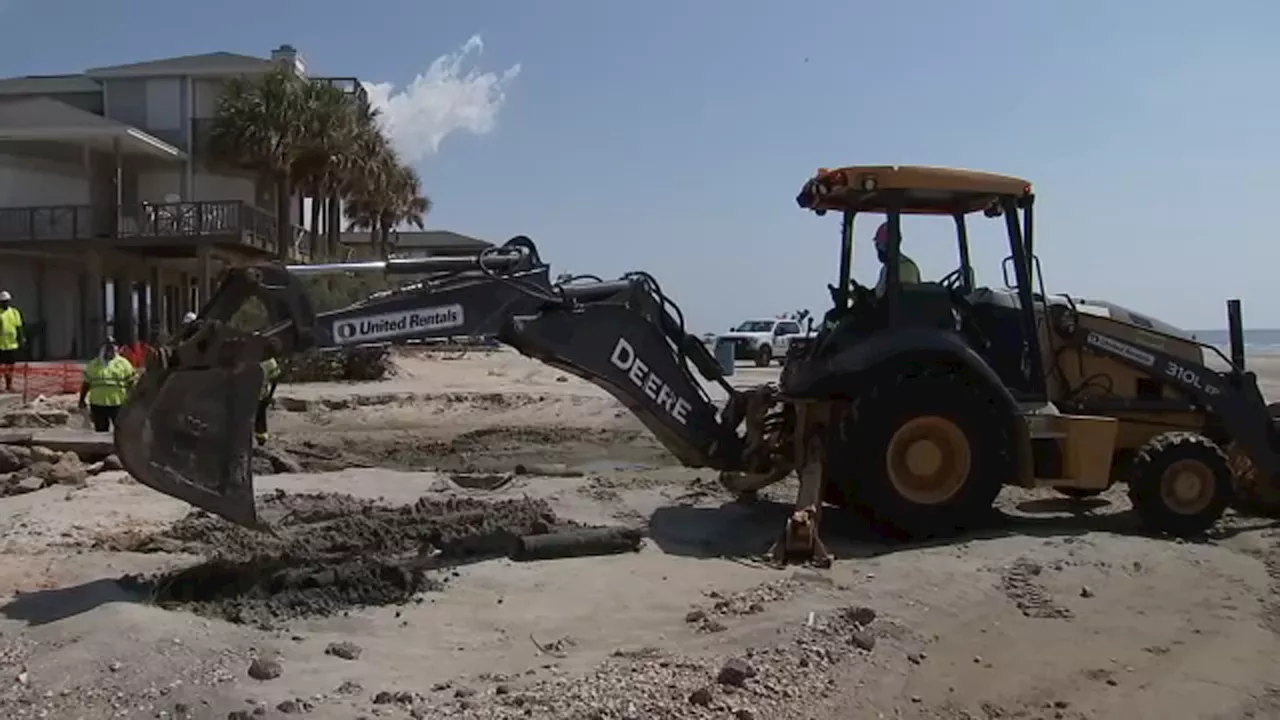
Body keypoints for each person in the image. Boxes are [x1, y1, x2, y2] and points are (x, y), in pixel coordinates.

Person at [78, 338, 138, 433]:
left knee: (121, 431)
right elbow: (86, 384)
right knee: (101, 432)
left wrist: (133, 400)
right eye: (107, 347)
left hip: (118, 404)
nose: (110, 350)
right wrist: (82, 400)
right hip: (98, 404)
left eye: (112, 346)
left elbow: (131, 384)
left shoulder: (124, 364)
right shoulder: (94, 364)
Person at [872, 222, 921, 296]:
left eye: (880, 244)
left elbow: (899, 300)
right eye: (877, 244)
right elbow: (879, 295)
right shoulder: (886, 268)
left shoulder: (905, 267)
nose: (878, 248)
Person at [255, 357, 282, 446]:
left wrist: (270, 395)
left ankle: (261, 439)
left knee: (260, 416)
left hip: (262, 395)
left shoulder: (269, 362)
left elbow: (275, 379)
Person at [0, 291, 23, 393]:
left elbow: (18, 326)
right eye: (3, 302)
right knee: (1, 367)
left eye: (7, 301)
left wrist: (21, 338)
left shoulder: (14, 312)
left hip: (12, 344)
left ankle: (9, 385)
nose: (5, 303)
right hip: (0, 345)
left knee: (10, 367)